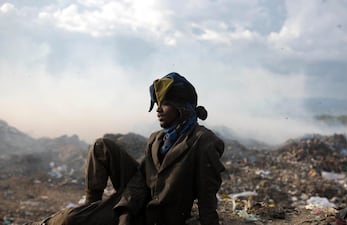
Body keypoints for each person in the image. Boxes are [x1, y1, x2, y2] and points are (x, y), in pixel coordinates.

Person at [25, 72, 225, 225]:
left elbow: (208, 197)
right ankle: (91, 206)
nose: (158, 110)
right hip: (138, 202)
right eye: (157, 104)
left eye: (164, 104)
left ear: (183, 107)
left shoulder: (203, 141)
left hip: (157, 217)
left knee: (70, 219)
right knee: (101, 146)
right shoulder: (156, 139)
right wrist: (126, 211)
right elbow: (140, 179)